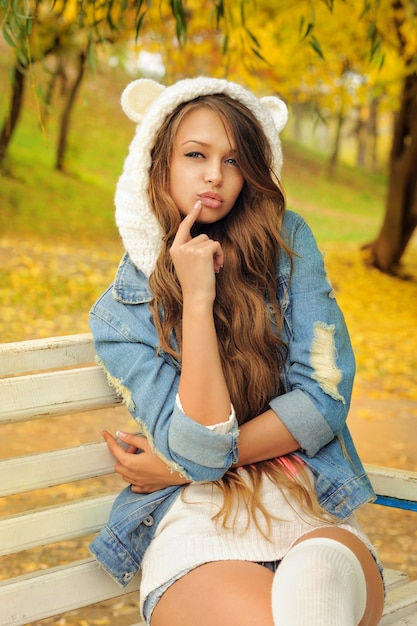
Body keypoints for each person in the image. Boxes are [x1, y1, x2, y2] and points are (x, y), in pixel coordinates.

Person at [89, 76, 385, 626]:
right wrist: (197, 301)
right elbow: (201, 451)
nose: (214, 175)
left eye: (233, 159)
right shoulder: (120, 315)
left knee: (318, 580)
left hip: (309, 506)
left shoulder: (287, 245)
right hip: (198, 525)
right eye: (195, 154)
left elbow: (324, 399)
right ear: (158, 164)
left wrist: (176, 469)